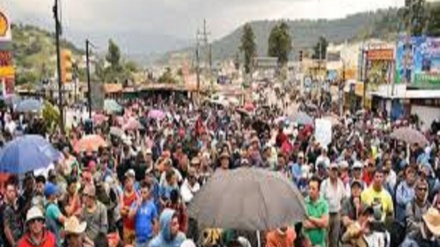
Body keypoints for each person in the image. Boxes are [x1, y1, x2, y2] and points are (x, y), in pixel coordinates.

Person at [320, 162, 346, 247]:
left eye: (336, 170)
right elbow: (321, 200)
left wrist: (340, 212)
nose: (334, 172)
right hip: (327, 214)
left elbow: (343, 198)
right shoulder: (324, 184)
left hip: (337, 214)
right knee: (325, 238)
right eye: (332, 170)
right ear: (329, 171)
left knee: (334, 239)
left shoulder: (341, 183)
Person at [129, 181, 158, 247]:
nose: (142, 194)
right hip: (138, 240)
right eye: (141, 192)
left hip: (149, 239)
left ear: (148, 193)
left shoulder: (151, 205)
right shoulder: (135, 203)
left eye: (145, 192)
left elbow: (155, 222)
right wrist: (137, 206)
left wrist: (155, 235)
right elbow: (130, 216)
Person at [304, 176, 329, 247]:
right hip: (307, 243)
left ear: (318, 190)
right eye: (309, 188)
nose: (310, 191)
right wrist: (320, 224)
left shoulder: (324, 203)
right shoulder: (304, 203)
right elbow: (305, 225)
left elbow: (325, 223)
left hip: (321, 244)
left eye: (313, 188)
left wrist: (310, 218)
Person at [44, 182, 66, 247]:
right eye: (54, 192)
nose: (56, 194)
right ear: (51, 195)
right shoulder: (52, 207)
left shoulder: (47, 205)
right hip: (58, 239)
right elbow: (62, 220)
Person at [3, 180, 23, 247]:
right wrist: (13, 244)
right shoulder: (6, 208)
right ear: (5, 192)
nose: (12, 193)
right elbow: (6, 229)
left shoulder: (12, 207)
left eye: (13, 191)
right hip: (11, 243)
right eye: (9, 191)